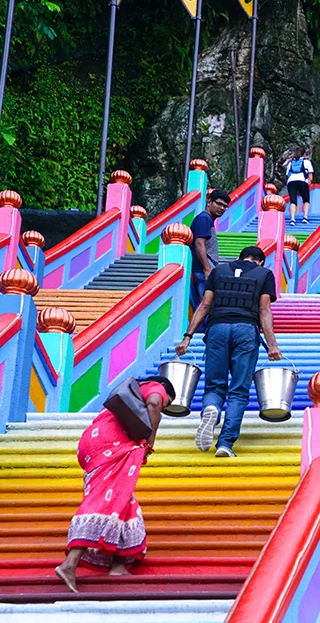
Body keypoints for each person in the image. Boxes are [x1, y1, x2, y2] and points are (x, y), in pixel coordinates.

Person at [55, 375, 176, 592]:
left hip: (93, 443)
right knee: (104, 499)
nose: (163, 409)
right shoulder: (155, 387)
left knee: (122, 497)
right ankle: (69, 564)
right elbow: (155, 402)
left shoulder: (128, 395)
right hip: (111, 443)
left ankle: (118, 564)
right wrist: (149, 443)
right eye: (168, 403)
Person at [175, 246, 283, 458]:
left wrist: (187, 337)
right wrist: (272, 345)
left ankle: (211, 409)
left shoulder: (219, 271)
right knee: (239, 390)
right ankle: (225, 443)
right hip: (246, 330)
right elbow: (264, 310)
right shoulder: (265, 274)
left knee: (215, 384)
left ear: (239, 257)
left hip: (217, 328)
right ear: (260, 261)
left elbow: (205, 305)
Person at [190, 189, 230, 308]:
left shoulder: (207, 219)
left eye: (225, 206)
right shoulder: (204, 219)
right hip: (201, 271)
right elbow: (199, 244)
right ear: (209, 202)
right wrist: (207, 269)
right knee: (206, 306)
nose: (222, 208)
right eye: (218, 203)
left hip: (203, 270)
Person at [285, 147, 314, 225]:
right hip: (302, 181)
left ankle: (292, 219)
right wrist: (309, 183)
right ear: (304, 154)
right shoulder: (307, 162)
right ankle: (305, 217)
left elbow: (287, 175)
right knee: (306, 200)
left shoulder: (291, 163)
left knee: (293, 201)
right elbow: (310, 175)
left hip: (291, 182)